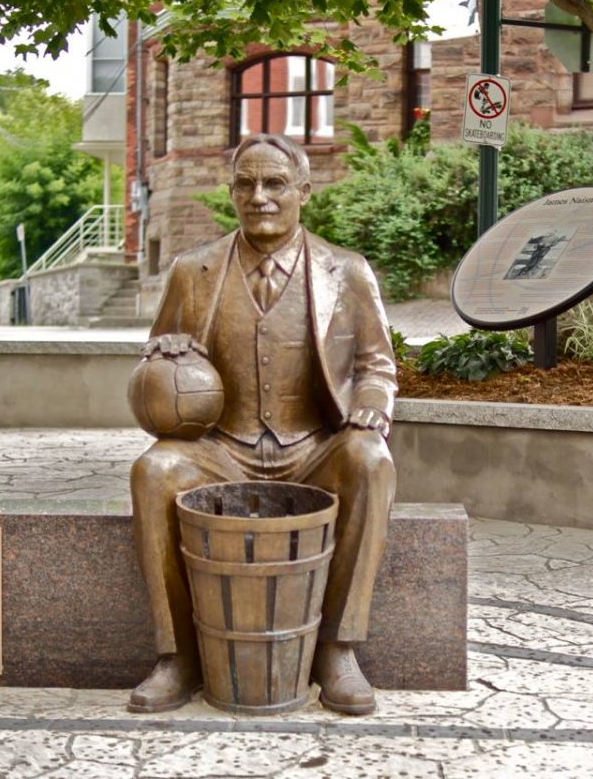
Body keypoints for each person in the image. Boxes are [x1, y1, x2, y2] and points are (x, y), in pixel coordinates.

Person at [127, 133, 396, 716]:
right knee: (153, 470)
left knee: (371, 461)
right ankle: (179, 658)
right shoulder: (191, 271)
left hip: (313, 446)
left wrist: (372, 403)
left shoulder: (346, 272)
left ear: (303, 190)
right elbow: (154, 363)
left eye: (274, 183)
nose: (260, 196)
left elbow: (378, 364)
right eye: (246, 184)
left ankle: (337, 650)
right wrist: (166, 356)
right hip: (223, 446)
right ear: (231, 194)